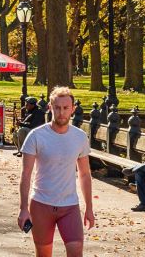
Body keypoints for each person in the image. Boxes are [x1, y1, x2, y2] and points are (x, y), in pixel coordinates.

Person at [18, 86, 95, 257]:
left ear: (72, 109)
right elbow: (26, 174)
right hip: (41, 204)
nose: (61, 112)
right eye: (57, 107)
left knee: (76, 250)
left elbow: (84, 174)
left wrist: (89, 208)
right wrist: (23, 208)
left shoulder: (80, 137)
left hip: (69, 206)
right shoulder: (36, 136)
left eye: (66, 108)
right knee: (44, 254)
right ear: (50, 108)